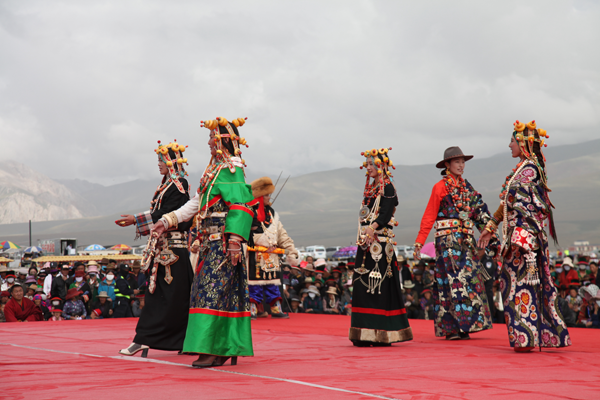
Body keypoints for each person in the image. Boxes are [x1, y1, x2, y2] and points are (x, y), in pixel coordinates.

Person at [152, 117, 254, 368]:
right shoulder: (214, 171)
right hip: (209, 245)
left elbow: (241, 205)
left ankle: (215, 348)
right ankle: (217, 347)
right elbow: (196, 204)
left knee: (213, 294)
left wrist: (234, 241)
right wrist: (167, 220)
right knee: (206, 293)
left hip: (224, 244)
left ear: (223, 140)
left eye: (211, 137)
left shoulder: (232, 169)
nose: (208, 142)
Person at [479, 120, 571, 351]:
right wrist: (491, 226)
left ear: (523, 143)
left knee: (520, 286)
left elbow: (522, 206)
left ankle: (526, 338)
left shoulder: (529, 170)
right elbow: (509, 203)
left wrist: (515, 235)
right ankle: (527, 338)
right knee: (513, 285)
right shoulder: (524, 169)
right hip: (518, 238)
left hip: (523, 241)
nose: (509, 145)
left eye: (512, 141)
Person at [116, 139, 194, 357]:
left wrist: (136, 219)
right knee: (163, 296)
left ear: (172, 162)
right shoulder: (167, 186)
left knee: (172, 297)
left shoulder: (179, 185)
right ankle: (149, 339)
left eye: (162, 160)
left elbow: (167, 214)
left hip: (173, 252)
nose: (158, 164)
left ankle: (158, 339)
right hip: (163, 250)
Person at [414, 146, 496, 340]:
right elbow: (429, 216)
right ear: (447, 164)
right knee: (450, 284)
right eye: (457, 162)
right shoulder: (440, 187)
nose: (461, 165)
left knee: (469, 283)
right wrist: (419, 242)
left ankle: (466, 326)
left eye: (463, 162)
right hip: (447, 243)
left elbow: (479, 211)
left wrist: (490, 232)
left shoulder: (467, 188)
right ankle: (451, 328)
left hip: (466, 242)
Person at [350, 147, 413, 346]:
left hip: (380, 245)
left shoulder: (388, 188)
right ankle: (363, 333)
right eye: (367, 164)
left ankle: (381, 333)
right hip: (366, 243)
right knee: (362, 285)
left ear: (382, 165)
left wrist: (373, 227)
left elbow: (385, 214)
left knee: (378, 287)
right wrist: (367, 231)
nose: (368, 167)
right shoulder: (371, 189)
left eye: (372, 164)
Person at [247, 176, 301, 319]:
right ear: (259, 196)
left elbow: (282, 234)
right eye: (266, 195)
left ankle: (276, 309)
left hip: (272, 256)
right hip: (254, 255)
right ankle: (252, 309)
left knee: (273, 284)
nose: (269, 197)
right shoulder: (248, 213)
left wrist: (291, 250)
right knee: (254, 284)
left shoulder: (272, 214)